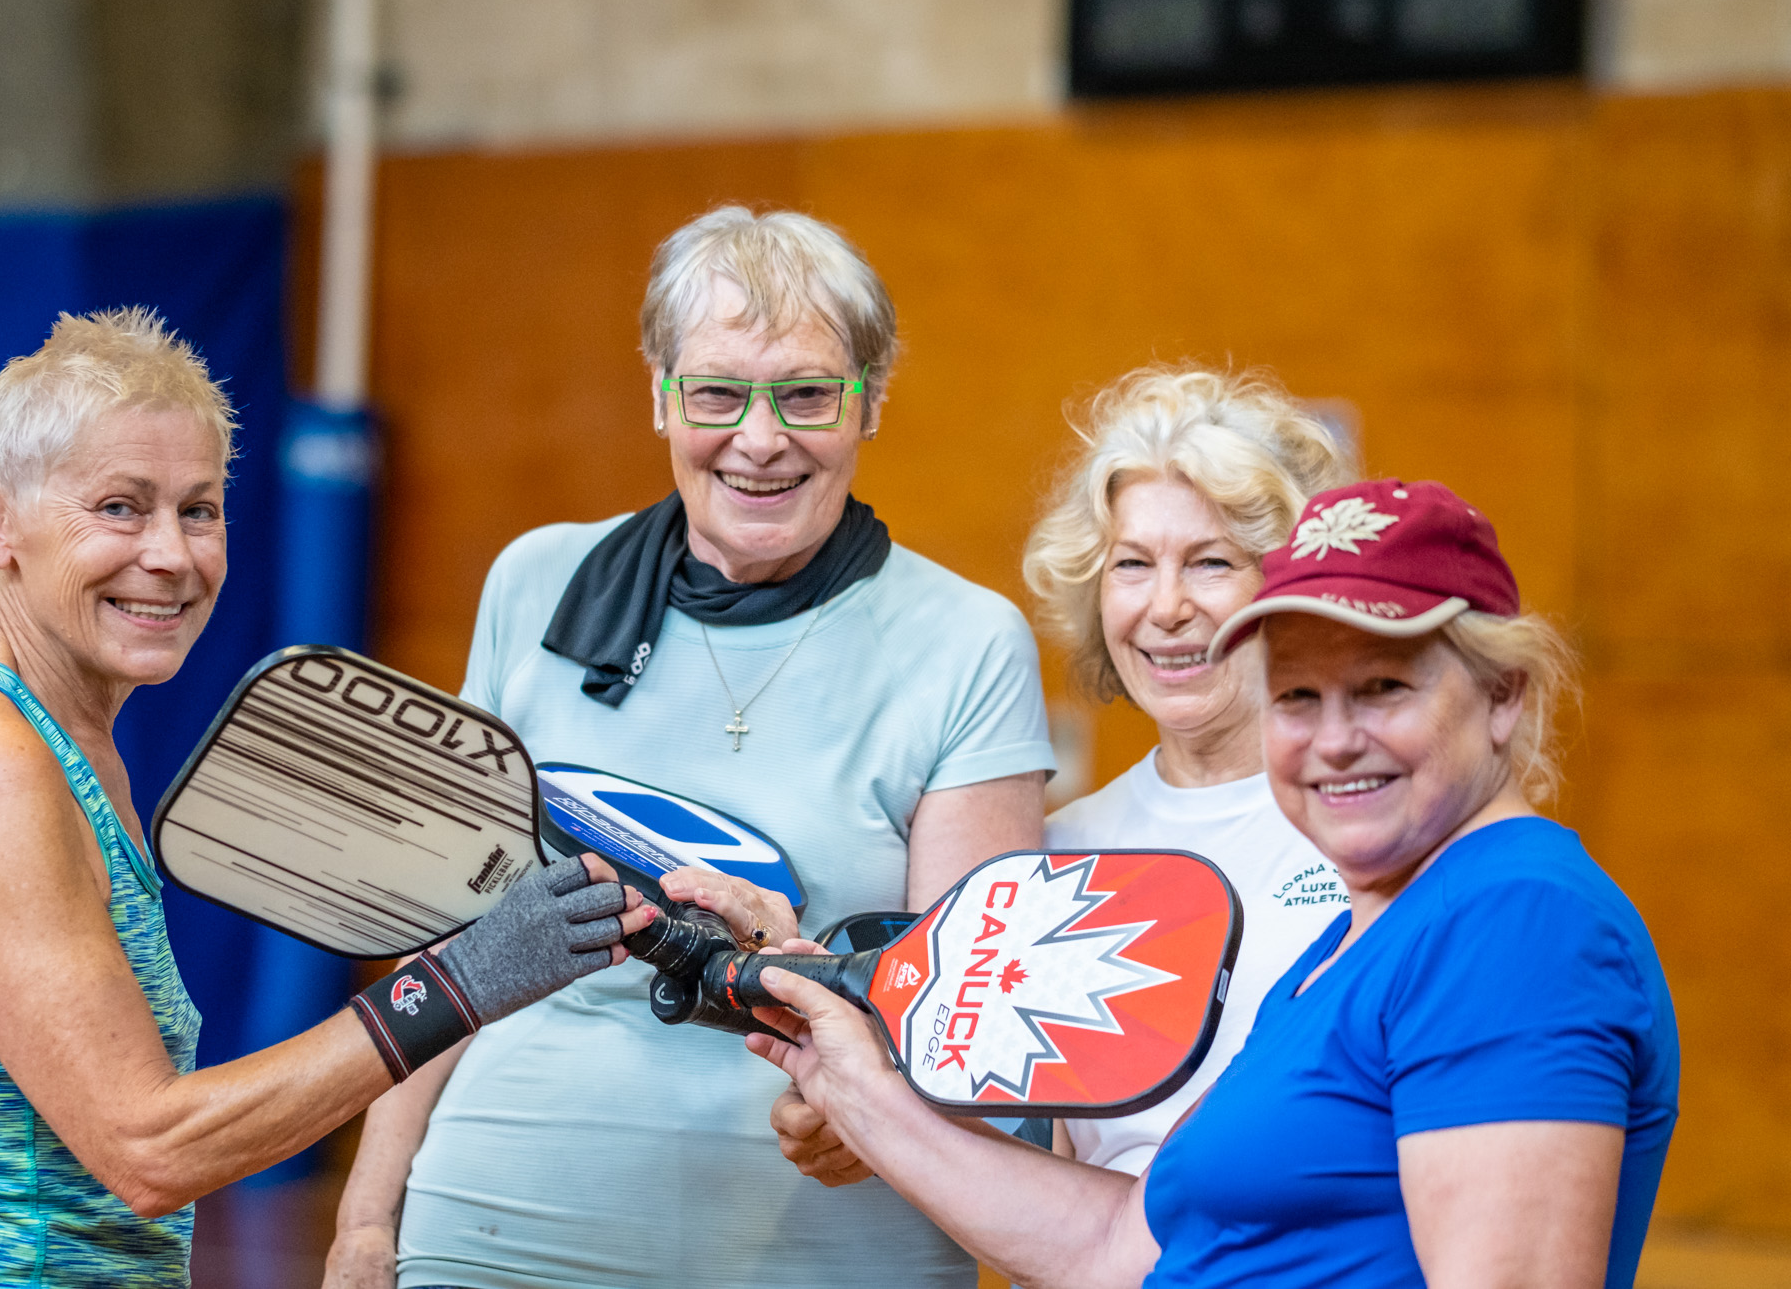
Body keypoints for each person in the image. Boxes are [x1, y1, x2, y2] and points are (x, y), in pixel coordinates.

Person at [0, 308, 649, 1287]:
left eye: (199, 508)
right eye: (120, 507)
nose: (173, 554)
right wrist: (460, 984)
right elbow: (148, 1147)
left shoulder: (72, 741)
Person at [324, 206, 1055, 1289]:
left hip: (821, 1232)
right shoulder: (533, 583)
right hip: (498, 1215)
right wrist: (365, 1217)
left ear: (871, 401)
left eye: (807, 392)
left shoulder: (963, 641)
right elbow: (451, 944)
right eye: (717, 391)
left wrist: (866, 1120)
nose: (760, 439)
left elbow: (965, 1014)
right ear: (661, 392)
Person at [746, 477, 1680, 1289]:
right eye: (1297, 696)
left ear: (1504, 694)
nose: (1334, 738)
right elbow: (1118, 1244)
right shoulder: (1353, 942)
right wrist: (857, 1084)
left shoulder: (1514, 919)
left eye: (1385, 687)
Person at [771, 365, 1356, 1192]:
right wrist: (861, 1116)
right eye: (1131, 565)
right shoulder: (1061, 853)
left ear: (1289, 585)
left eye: (1212, 562)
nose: (1166, 606)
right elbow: (1039, 1162)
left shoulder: (1373, 831)